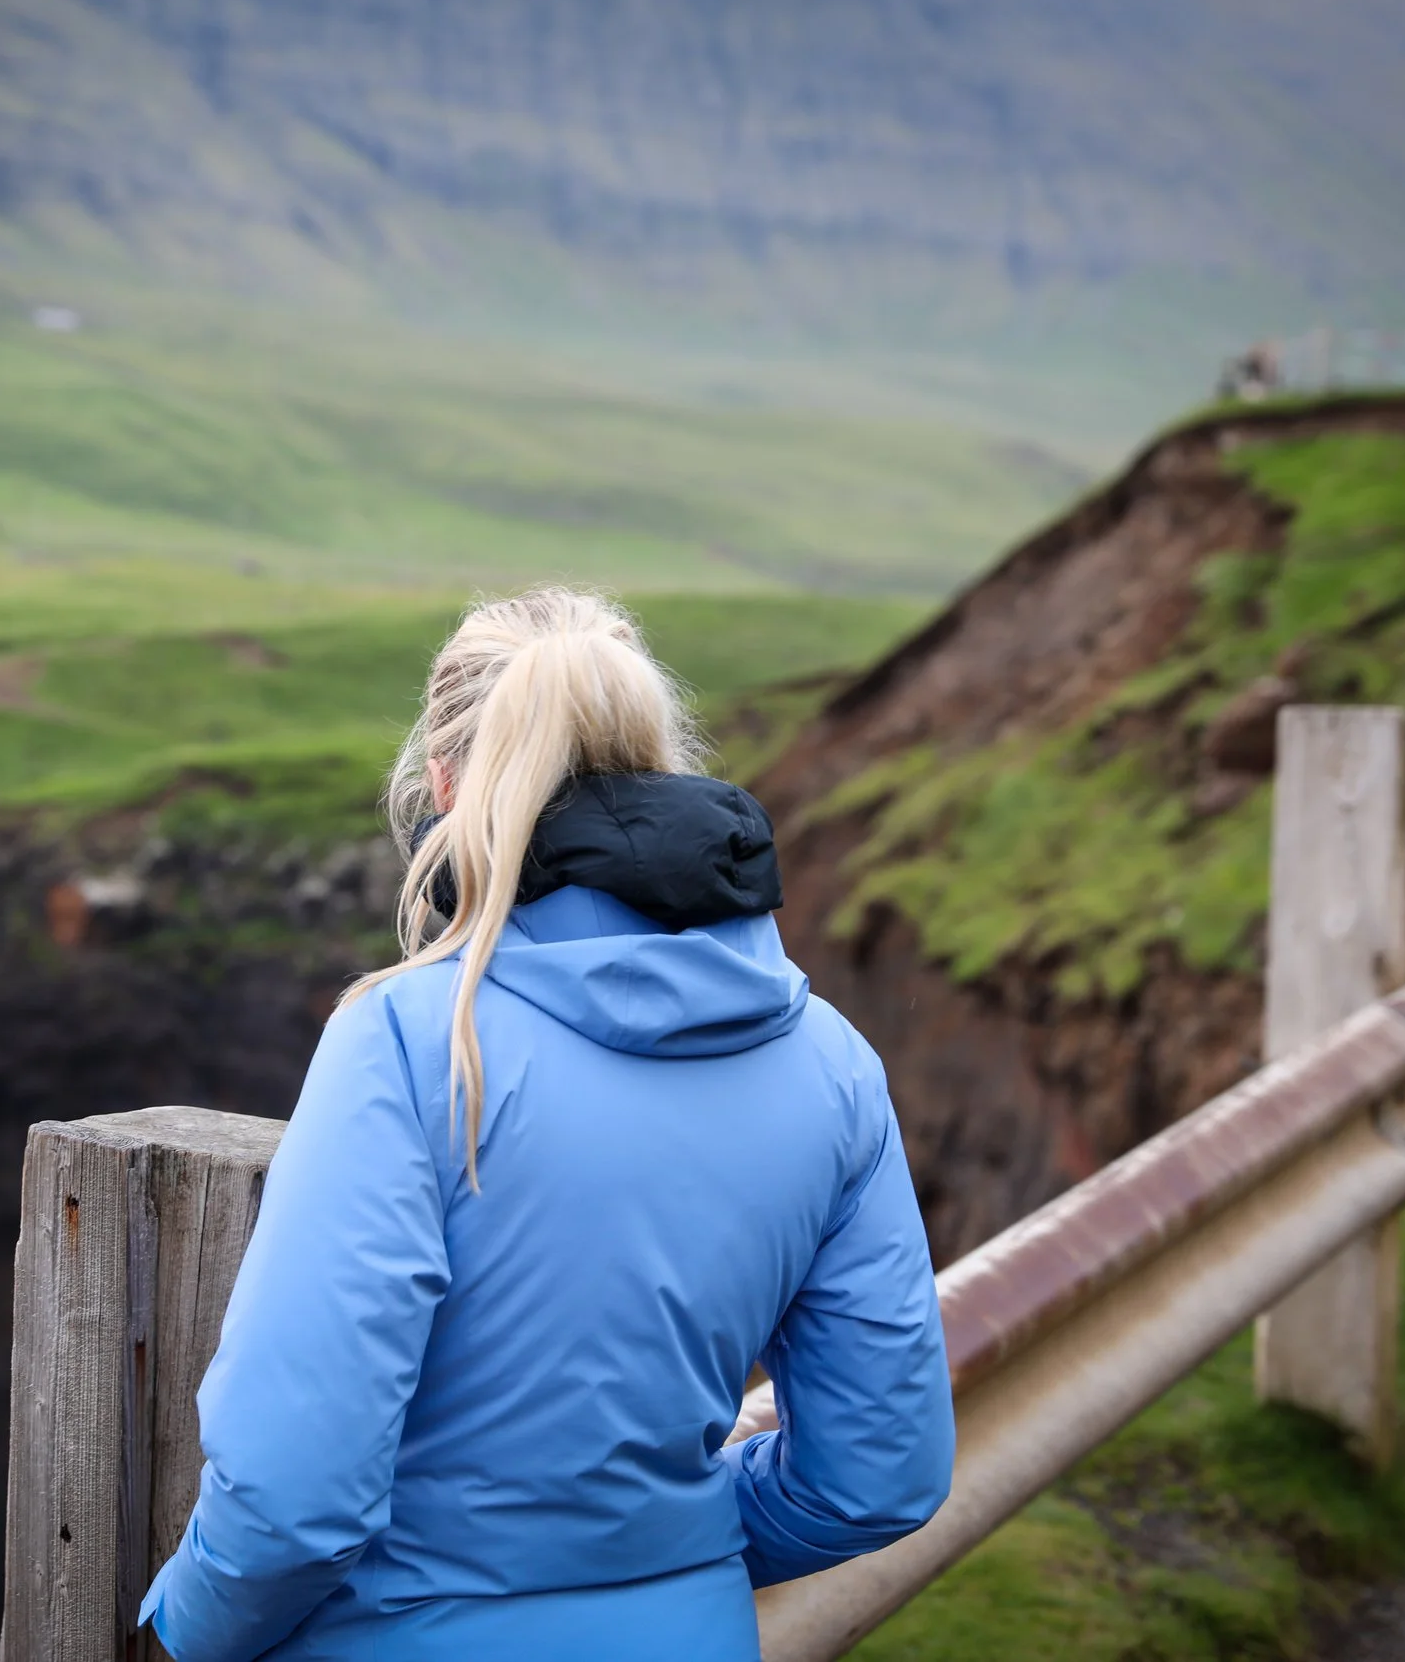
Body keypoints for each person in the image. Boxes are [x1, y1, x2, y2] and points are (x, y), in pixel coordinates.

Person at [139, 588, 955, 1660]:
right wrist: (674, 1555)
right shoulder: (832, 1063)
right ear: (655, 759)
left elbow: (292, 1499)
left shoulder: (412, 1041)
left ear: (443, 785)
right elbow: (879, 1474)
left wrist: (183, 1629)